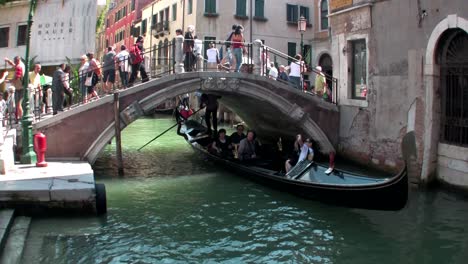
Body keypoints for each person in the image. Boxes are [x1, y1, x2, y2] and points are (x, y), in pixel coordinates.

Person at [4, 56, 24, 121]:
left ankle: (21, 118)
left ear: (17, 60)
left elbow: (17, 77)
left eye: (15, 61)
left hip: (20, 88)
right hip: (19, 87)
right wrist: (8, 61)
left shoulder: (19, 67)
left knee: (18, 104)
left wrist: (9, 81)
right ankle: (18, 117)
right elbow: (14, 65)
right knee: (18, 104)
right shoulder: (20, 65)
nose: (14, 63)